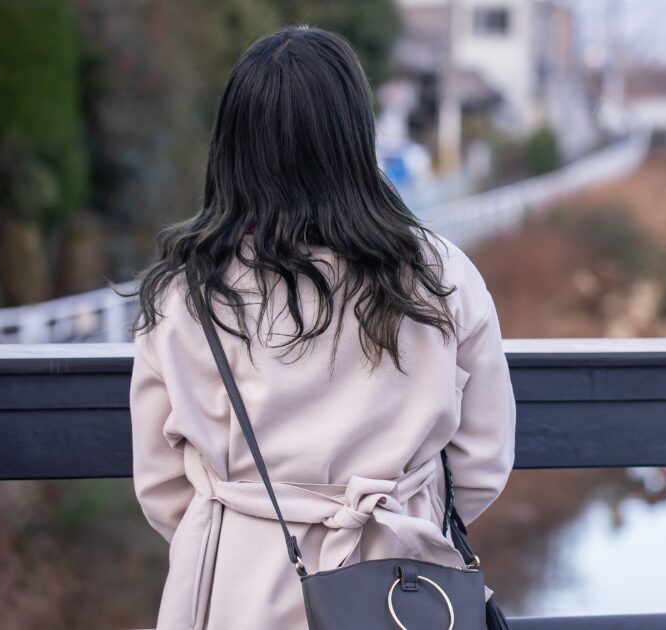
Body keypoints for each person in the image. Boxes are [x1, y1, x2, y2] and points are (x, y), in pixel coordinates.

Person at [126, 26, 516, 630]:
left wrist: (242, 533)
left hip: (240, 592)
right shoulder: (441, 275)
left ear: (233, 144)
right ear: (354, 135)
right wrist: (406, 514)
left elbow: (161, 486)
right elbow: (483, 462)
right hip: (403, 592)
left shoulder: (187, 294)